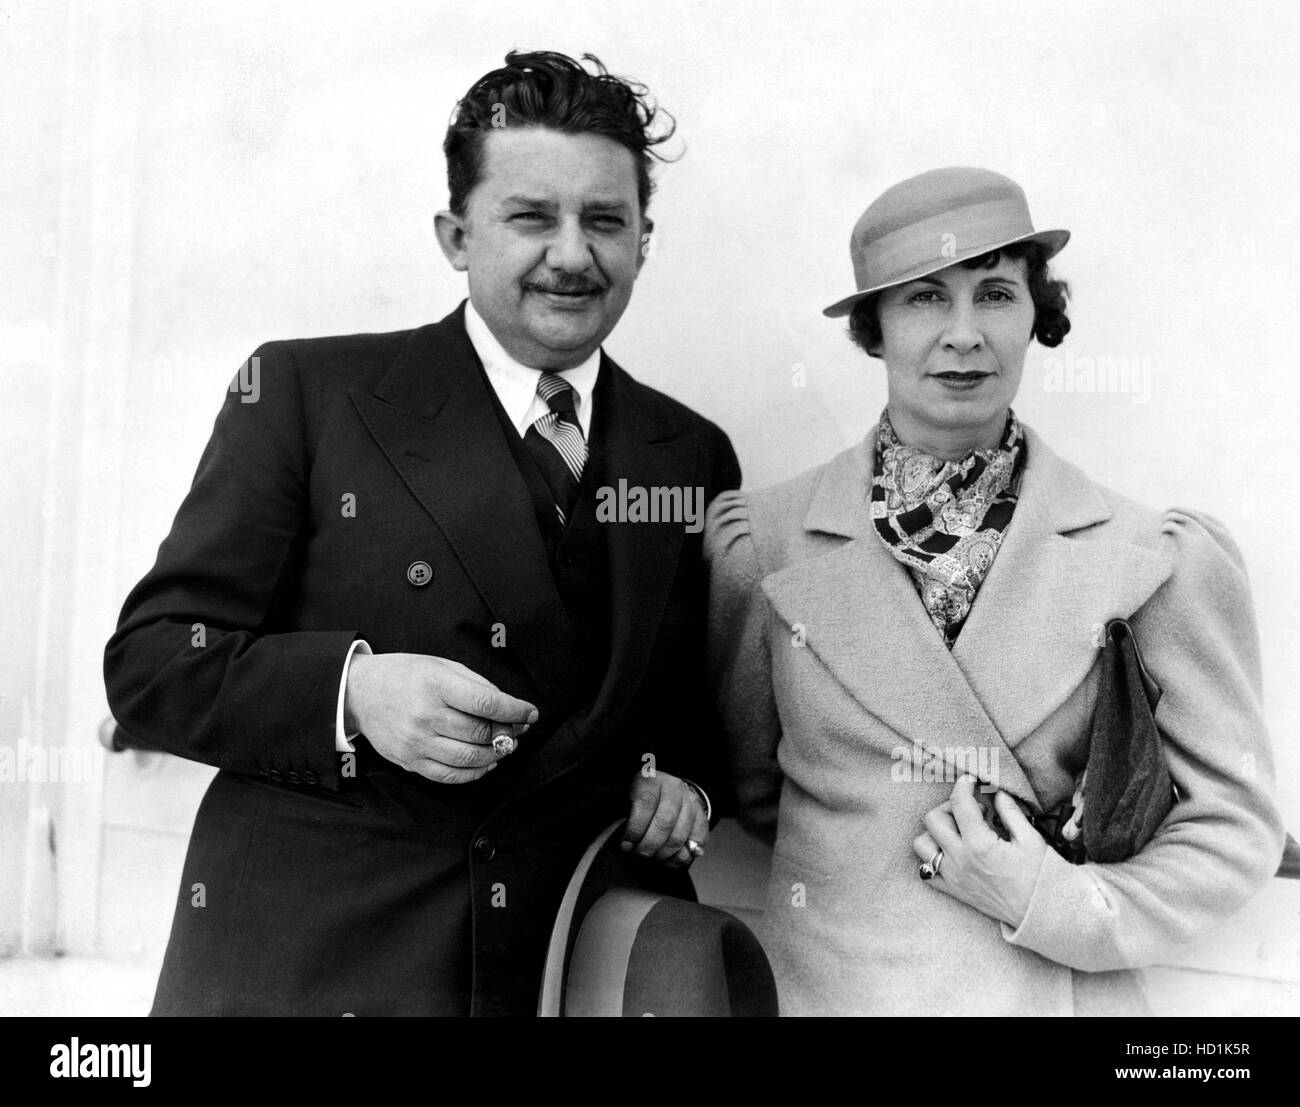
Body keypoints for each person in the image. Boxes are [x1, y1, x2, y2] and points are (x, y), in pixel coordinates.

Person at [104, 50, 740, 1017]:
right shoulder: (304, 396)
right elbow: (151, 670)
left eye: (604, 220)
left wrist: (683, 784)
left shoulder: (688, 454)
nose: (573, 254)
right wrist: (353, 693)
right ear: (455, 234)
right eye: (531, 216)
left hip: (553, 966)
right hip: (315, 965)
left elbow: (691, 708)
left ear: (644, 241)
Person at [705, 166, 1285, 1016]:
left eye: (998, 294)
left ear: (1035, 317)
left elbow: (1233, 827)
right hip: (834, 993)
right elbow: (757, 786)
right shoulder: (766, 544)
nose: (965, 335)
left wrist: (1048, 900)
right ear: (874, 328)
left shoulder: (1151, 556)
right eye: (925, 299)